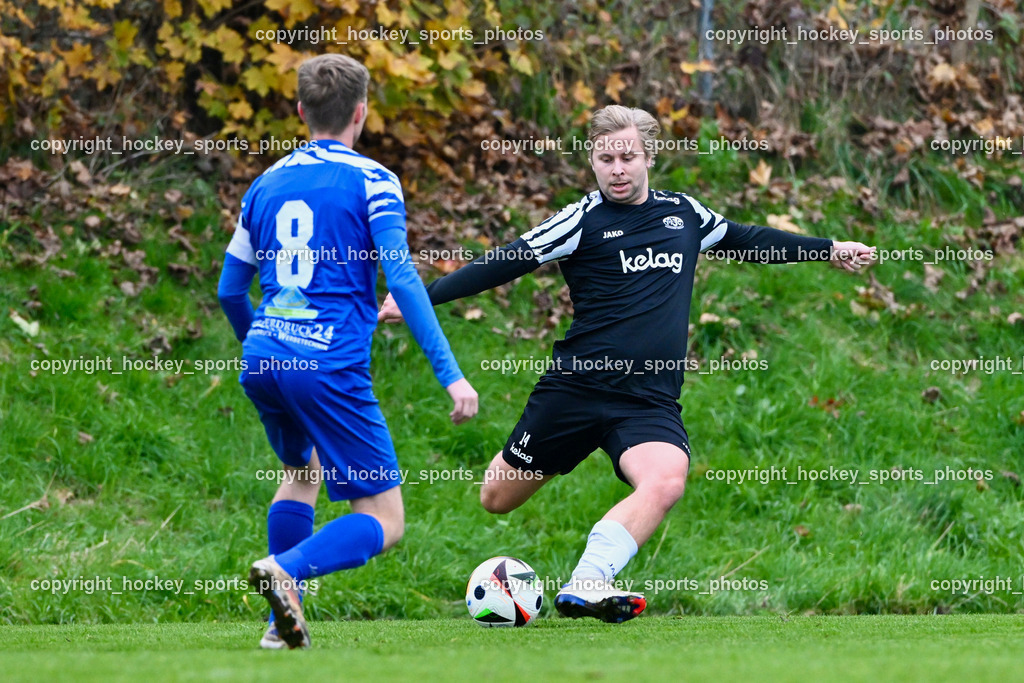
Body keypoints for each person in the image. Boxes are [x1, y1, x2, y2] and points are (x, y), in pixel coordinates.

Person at [379, 104, 875, 623]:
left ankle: (588, 581)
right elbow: (506, 260)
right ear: (592, 162)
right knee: (497, 497)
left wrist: (828, 249)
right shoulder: (579, 221)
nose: (617, 168)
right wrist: (419, 299)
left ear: (649, 158)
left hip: (646, 400)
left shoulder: (684, 215)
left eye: (627, 157)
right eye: (605, 158)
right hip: (574, 391)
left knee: (666, 479)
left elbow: (747, 238)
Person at [217, 53, 478, 649]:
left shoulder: (264, 184)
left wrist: (265, 349)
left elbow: (231, 289)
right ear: (361, 112)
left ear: (302, 111)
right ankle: (283, 572)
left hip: (264, 355)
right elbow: (403, 279)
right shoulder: (374, 180)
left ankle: (280, 627)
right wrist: (451, 376)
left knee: (301, 470)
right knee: (385, 520)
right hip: (328, 364)